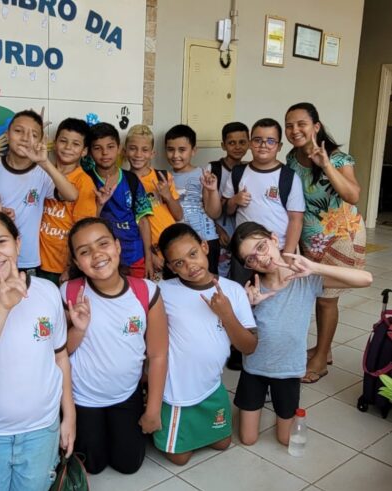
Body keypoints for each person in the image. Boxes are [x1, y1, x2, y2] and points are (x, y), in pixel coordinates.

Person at [229, 222, 371, 445]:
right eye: (250, 259)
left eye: (261, 247)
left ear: (274, 239)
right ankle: (253, 406)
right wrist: (248, 307)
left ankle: (278, 408)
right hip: (255, 369)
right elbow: (238, 338)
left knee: (286, 439)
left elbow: (366, 279)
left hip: (288, 371)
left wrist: (316, 267)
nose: (261, 258)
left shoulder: (305, 279)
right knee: (247, 439)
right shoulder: (249, 290)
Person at [0, 210, 75, 491]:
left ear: (18, 242)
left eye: (1, 242)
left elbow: (60, 356)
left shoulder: (48, 291)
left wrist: (68, 416)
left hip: (42, 428)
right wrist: (3, 306)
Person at [62, 217, 168, 474]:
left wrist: (153, 409)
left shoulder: (146, 291)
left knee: (129, 464)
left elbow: (158, 354)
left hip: (126, 394)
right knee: (92, 466)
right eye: (85, 251)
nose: (97, 254)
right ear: (77, 262)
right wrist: (78, 328)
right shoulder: (68, 293)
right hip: (83, 398)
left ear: (118, 246)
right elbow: (60, 353)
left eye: (103, 244)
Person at [154, 223, 257, 466]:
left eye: (192, 254)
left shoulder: (233, 290)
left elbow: (249, 347)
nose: (190, 266)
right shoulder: (163, 291)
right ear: (170, 267)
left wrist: (227, 315)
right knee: (180, 458)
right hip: (177, 391)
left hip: (211, 385)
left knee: (223, 444)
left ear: (204, 247)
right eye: (178, 263)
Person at [284, 102, 366, 384]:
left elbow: (352, 195)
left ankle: (320, 361)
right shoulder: (292, 158)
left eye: (301, 124)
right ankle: (324, 349)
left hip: (340, 236)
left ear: (316, 127)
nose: (295, 130)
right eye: (289, 125)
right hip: (310, 239)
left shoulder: (340, 158)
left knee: (326, 300)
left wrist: (326, 165)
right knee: (318, 296)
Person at [0, 110, 78, 275]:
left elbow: (71, 195)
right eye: (18, 131)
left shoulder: (42, 172)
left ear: (40, 141)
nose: (25, 138)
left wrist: (45, 163)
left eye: (33, 134)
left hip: (27, 260)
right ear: (7, 134)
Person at [222, 118, 304, 262]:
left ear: (279, 146)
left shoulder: (289, 177)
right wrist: (234, 200)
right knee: (243, 285)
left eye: (271, 141)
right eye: (257, 140)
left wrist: (288, 255)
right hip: (244, 253)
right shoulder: (238, 173)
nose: (263, 145)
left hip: (278, 250)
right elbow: (228, 210)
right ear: (250, 143)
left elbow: (296, 220)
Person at [82, 122, 153, 278]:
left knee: (137, 298)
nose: (105, 153)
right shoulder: (85, 179)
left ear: (120, 148)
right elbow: (84, 223)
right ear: (89, 151)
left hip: (135, 255)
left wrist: (149, 257)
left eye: (110, 146)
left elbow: (143, 220)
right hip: (102, 257)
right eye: (97, 148)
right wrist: (100, 203)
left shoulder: (131, 179)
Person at [38, 118, 98, 284]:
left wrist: (71, 267)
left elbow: (83, 229)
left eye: (75, 144)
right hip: (36, 263)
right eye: (63, 141)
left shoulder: (84, 183)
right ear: (55, 143)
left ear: (84, 151)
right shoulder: (41, 173)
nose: (68, 148)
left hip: (62, 267)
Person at [124, 124, 183, 280]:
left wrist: (168, 196)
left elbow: (178, 215)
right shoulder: (123, 182)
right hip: (148, 251)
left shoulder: (162, 177)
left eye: (144, 150)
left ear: (152, 153)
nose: (138, 154)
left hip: (173, 245)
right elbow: (130, 226)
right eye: (133, 148)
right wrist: (149, 255)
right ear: (124, 151)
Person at [165, 124, 222, 274]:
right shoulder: (165, 178)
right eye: (170, 149)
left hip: (206, 239)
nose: (175, 155)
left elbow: (214, 213)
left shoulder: (203, 174)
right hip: (178, 244)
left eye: (182, 150)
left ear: (194, 151)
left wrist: (213, 190)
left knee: (210, 282)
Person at [207, 122, 250, 278]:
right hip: (220, 229)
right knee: (221, 272)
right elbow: (202, 205)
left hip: (242, 231)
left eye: (242, 142)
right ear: (223, 145)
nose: (237, 147)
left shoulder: (250, 169)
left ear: (249, 144)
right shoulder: (213, 169)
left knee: (242, 273)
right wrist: (216, 229)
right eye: (232, 143)